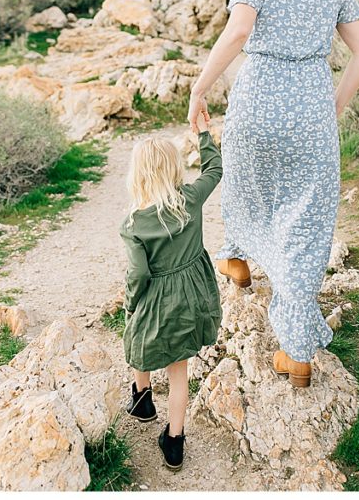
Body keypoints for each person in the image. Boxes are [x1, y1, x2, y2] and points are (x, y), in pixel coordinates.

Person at [188, 0, 359, 388]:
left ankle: (235, 258)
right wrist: (333, 106)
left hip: (258, 104)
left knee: (247, 185)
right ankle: (296, 353)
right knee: (304, 225)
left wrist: (199, 86)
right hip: (311, 112)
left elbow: (240, 29)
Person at [121, 108, 223, 472]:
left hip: (155, 299)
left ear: (139, 175)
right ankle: (175, 442)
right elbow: (215, 170)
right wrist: (204, 135)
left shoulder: (133, 224)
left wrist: (131, 304)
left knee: (136, 338)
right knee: (179, 371)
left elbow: (138, 275)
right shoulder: (190, 198)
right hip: (192, 296)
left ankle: (142, 399)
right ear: (173, 169)